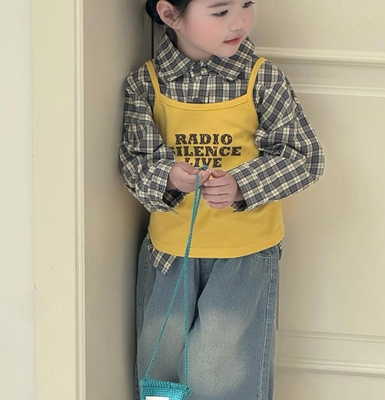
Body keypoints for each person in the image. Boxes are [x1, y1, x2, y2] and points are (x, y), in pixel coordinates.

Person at [119, 1, 325, 399]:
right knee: (161, 375)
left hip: (243, 258)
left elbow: (303, 156)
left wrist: (241, 184)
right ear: (170, 15)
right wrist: (170, 177)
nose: (240, 22)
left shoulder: (262, 79)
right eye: (220, 12)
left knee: (221, 377)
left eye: (246, 4)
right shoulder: (146, 84)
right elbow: (135, 163)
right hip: (170, 256)